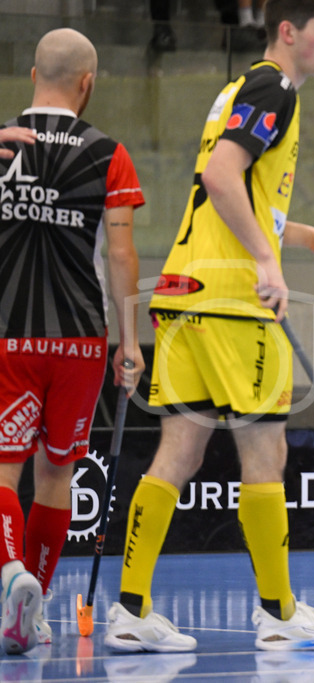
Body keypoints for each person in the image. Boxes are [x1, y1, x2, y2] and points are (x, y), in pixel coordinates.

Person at [103, 0, 314, 654]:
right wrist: (268, 260)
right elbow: (222, 177)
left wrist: (301, 236)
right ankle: (278, 610)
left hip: (185, 288)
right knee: (265, 453)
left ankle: (131, 608)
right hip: (229, 298)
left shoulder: (241, 87)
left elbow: (231, 194)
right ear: (288, 31)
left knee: (179, 453)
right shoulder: (275, 88)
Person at [0, 28, 146, 655]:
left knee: (4, 471)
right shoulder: (108, 153)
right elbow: (121, 253)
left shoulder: (2, 144)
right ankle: (29, 615)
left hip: (9, 333)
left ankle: (11, 575)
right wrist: (130, 342)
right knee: (56, 474)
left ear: (33, 75)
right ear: (88, 84)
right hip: (83, 339)